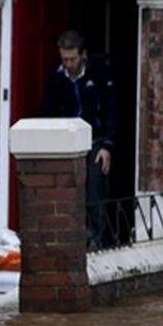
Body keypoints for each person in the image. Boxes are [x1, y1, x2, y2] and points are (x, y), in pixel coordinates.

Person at [42, 30, 117, 249]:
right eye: (64, 59)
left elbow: (111, 111)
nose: (68, 64)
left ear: (82, 55)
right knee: (65, 193)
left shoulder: (100, 75)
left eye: (72, 59)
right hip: (64, 143)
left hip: (95, 141)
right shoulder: (56, 78)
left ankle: (98, 242)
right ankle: (69, 243)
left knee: (95, 192)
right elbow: (48, 111)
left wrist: (107, 145)